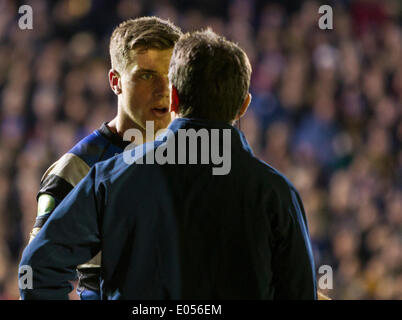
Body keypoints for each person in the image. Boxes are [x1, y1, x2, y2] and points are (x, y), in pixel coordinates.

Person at [20, 29, 318, 299]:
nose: (159, 91)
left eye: (165, 78)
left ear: (174, 97)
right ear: (244, 106)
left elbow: (38, 270)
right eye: (146, 75)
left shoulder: (110, 178)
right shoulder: (277, 194)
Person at [24, 16, 182, 300]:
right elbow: (37, 275)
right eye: (145, 75)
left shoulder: (197, 156)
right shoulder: (76, 169)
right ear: (115, 82)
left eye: (170, 75)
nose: (162, 89)